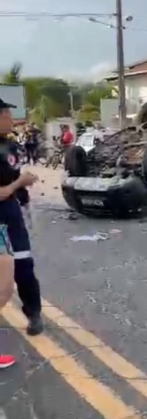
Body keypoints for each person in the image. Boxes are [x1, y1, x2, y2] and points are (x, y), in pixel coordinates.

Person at [0, 97, 44, 336]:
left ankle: (34, 313)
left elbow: (14, 180)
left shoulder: (10, 146)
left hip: (12, 216)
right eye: (5, 115)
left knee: (24, 267)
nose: (10, 119)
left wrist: (25, 203)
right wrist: (20, 181)